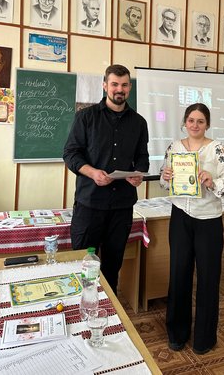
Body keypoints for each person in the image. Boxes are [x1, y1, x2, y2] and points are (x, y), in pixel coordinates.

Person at [159, 103, 224, 355]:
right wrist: (166, 177)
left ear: (207, 124)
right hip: (180, 216)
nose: (195, 125)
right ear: (184, 122)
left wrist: (212, 181)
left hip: (208, 220)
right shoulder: (174, 147)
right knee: (178, 274)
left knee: (208, 278)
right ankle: (177, 333)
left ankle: (204, 338)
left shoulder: (218, 149)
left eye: (200, 121)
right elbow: (163, 180)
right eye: (191, 120)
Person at [63, 64, 149, 295]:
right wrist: (93, 172)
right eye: (114, 84)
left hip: (122, 206)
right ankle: (81, 305)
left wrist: (138, 173)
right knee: (82, 262)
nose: (119, 89)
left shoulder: (139, 122)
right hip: (89, 204)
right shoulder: (85, 117)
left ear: (129, 88)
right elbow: (70, 154)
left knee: (113, 265)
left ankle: (108, 309)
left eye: (124, 85)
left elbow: (142, 157)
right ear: (105, 86)